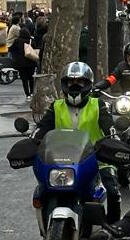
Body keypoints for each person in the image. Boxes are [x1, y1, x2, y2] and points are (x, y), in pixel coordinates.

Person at [34, 62, 120, 222]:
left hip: (96, 159)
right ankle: (45, 231)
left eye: (80, 82)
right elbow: (42, 128)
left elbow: (109, 128)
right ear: (64, 85)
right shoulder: (56, 106)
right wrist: (32, 141)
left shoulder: (98, 105)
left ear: (88, 84)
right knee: (41, 191)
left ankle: (114, 232)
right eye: (70, 82)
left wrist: (114, 141)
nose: (74, 86)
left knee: (113, 191)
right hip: (61, 161)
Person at [9, 27, 37, 98]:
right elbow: (35, 49)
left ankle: (27, 94)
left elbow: (11, 49)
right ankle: (32, 92)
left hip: (21, 63)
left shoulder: (17, 41)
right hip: (31, 62)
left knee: (24, 79)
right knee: (31, 78)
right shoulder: (31, 40)